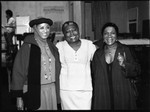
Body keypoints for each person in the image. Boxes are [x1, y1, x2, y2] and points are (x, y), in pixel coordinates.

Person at [10, 17, 61, 110]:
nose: (45, 31)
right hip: (35, 90)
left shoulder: (52, 46)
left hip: (51, 89)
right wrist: (19, 97)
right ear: (35, 29)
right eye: (41, 28)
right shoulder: (28, 46)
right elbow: (18, 72)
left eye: (47, 28)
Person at [91, 22, 141, 110]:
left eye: (112, 33)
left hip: (122, 91)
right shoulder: (98, 54)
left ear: (117, 35)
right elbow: (94, 75)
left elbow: (137, 71)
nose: (109, 36)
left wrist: (124, 64)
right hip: (103, 92)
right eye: (106, 33)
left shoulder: (125, 49)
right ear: (102, 36)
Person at [56, 21, 96, 110]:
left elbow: (100, 60)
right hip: (66, 91)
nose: (71, 34)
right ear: (64, 34)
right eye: (67, 31)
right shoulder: (59, 46)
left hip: (85, 90)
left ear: (79, 30)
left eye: (74, 30)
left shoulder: (89, 45)